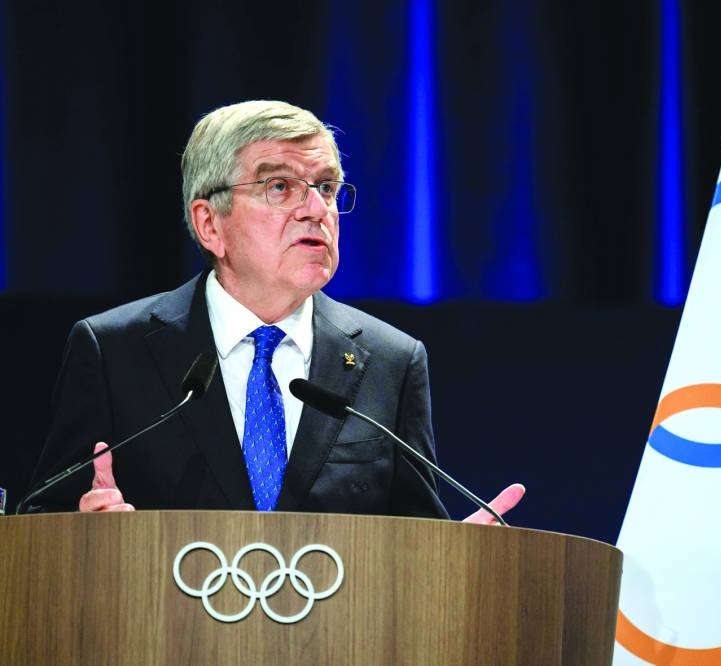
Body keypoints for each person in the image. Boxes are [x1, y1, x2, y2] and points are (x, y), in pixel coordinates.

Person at [28, 100, 523, 522]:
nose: (317, 210)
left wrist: (454, 558)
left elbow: (416, 536)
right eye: (280, 187)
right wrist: (84, 534)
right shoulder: (113, 350)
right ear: (209, 224)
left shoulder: (392, 360)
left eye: (326, 187)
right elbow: (39, 525)